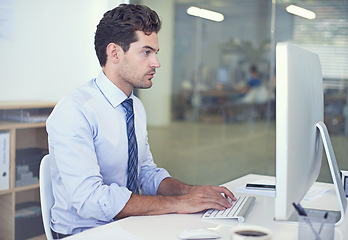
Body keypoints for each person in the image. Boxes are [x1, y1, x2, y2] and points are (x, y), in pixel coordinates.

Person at [46, 4, 236, 239]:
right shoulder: (75, 111)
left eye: (155, 52)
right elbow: (90, 200)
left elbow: (145, 174)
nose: (156, 63)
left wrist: (189, 191)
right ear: (114, 53)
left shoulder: (134, 106)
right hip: (86, 232)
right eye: (146, 52)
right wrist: (179, 203)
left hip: (127, 224)